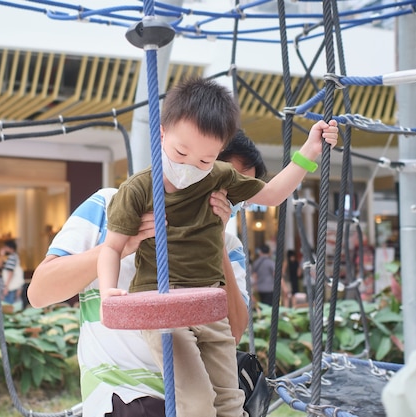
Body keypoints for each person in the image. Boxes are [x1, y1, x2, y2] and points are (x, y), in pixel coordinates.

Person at [97, 77, 338, 417]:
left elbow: (271, 195)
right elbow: (111, 248)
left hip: (209, 304)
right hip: (163, 305)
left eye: (205, 159)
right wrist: (109, 291)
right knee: (196, 403)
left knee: (230, 402)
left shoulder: (219, 176)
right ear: (162, 133)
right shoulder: (138, 190)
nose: (190, 166)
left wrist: (309, 152)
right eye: (181, 152)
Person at [28, 132, 269, 417]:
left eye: (239, 196)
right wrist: (118, 247)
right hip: (126, 396)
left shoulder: (229, 247)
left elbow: (233, 333)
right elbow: (40, 292)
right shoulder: (111, 206)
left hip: (197, 399)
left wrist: (213, 239)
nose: (229, 200)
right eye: (227, 186)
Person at [1, 239, 24, 309]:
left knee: (9, 308)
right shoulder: (14, 257)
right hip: (13, 287)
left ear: (10, 248)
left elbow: (10, 272)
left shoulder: (12, 257)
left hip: (11, 287)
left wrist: (6, 287)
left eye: (5, 247)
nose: (4, 249)